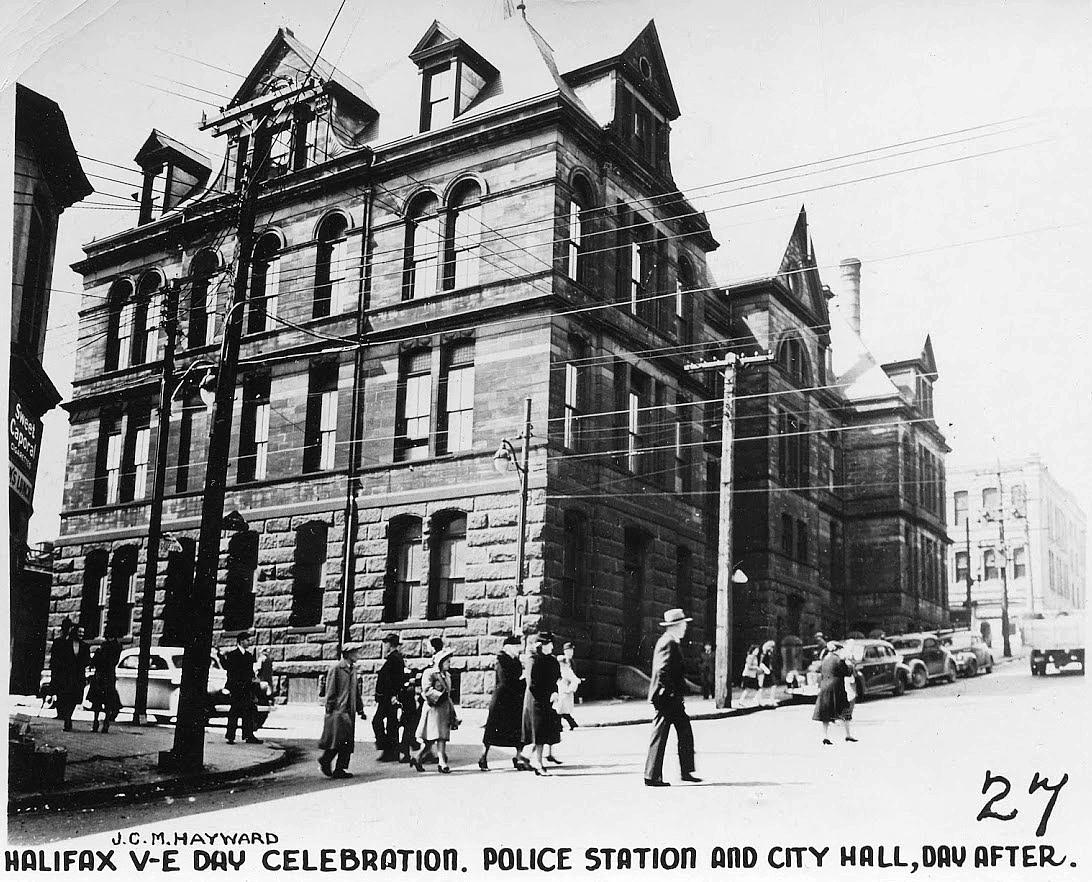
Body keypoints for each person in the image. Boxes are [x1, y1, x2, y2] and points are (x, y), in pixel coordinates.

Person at [644, 608, 700, 787]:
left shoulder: (670, 641)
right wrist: (670, 692)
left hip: (672, 698)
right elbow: (662, 671)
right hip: (667, 698)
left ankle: (686, 771)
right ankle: (652, 776)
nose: (685, 628)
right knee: (660, 735)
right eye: (683, 624)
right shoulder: (668, 642)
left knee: (684, 731)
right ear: (675, 625)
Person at [480, 635, 530, 771]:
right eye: (517, 646)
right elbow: (505, 680)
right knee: (492, 730)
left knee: (518, 731)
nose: (520, 649)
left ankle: (518, 757)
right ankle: (483, 757)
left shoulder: (515, 660)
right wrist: (522, 681)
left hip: (514, 700)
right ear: (510, 647)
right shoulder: (502, 660)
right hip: (502, 700)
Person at [319, 642, 365, 778]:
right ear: (348, 654)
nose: (358, 655)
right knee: (338, 740)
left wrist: (360, 709)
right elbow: (331, 690)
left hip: (349, 711)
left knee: (347, 741)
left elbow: (355, 691)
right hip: (338, 710)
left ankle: (340, 768)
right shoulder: (337, 668)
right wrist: (330, 710)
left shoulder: (353, 669)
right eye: (355, 652)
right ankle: (326, 761)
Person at [411, 648, 458, 773]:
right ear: (440, 662)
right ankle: (419, 757)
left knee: (441, 737)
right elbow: (426, 690)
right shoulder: (429, 673)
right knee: (431, 739)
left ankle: (441, 762)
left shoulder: (447, 676)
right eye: (447, 661)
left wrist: (454, 714)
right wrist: (437, 696)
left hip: (444, 710)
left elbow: (448, 696)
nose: (449, 664)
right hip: (433, 709)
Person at [521, 632, 562, 775]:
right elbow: (532, 684)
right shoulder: (533, 660)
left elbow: (554, 679)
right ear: (542, 646)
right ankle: (538, 763)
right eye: (549, 643)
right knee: (538, 732)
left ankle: (527, 757)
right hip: (536, 700)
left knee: (543, 732)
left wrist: (555, 692)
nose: (552, 646)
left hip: (546, 700)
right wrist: (548, 695)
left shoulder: (551, 660)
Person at [812, 641, 857, 744]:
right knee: (845, 711)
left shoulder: (825, 659)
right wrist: (849, 664)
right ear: (837, 650)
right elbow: (848, 673)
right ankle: (848, 735)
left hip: (825, 688)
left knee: (825, 713)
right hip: (837, 688)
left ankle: (825, 736)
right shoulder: (839, 660)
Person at [222, 631, 262, 744]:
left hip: (247, 689)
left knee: (248, 712)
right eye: (247, 640)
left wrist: (254, 682)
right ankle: (230, 736)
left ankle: (248, 736)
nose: (249, 642)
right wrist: (230, 687)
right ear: (241, 641)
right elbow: (230, 673)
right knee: (234, 711)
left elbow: (250, 673)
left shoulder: (249, 656)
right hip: (236, 689)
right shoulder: (232, 655)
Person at [50, 620, 90, 731]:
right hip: (67, 677)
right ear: (75, 632)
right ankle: (67, 719)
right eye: (79, 632)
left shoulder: (85, 646)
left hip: (78, 677)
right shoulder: (66, 644)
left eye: (83, 632)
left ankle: (69, 716)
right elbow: (62, 659)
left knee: (74, 698)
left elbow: (87, 661)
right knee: (66, 697)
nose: (81, 634)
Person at [374, 634, 405, 762]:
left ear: (390, 644)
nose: (384, 646)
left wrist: (394, 695)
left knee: (378, 722)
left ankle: (388, 749)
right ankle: (391, 751)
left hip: (389, 698)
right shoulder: (393, 658)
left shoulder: (394, 659)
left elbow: (395, 680)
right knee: (391, 724)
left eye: (385, 643)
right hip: (388, 697)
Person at [88, 634, 122, 733]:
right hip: (102, 676)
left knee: (105, 701)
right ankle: (99, 722)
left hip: (106, 676)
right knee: (100, 701)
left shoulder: (114, 646)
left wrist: (100, 655)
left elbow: (111, 661)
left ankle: (103, 723)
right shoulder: (106, 646)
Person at [554, 641, 583, 731]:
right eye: (568, 650)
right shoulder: (561, 661)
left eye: (572, 650)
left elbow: (573, 676)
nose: (571, 652)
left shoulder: (572, 662)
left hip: (567, 689)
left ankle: (563, 725)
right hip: (561, 687)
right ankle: (569, 723)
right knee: (560, 708)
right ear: (564, 651)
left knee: (561, 708)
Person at [398, 670, 422, 763]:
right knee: (408, 733)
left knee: (408, 733)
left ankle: (407, 753)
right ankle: (408, 753)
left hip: (411, 713)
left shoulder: (409, 688)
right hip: (410, 713)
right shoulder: (408, 689)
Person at [757, 639, 778, 706]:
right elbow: (761, 663)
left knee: (773, 685)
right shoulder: (764, 654)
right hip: (764, 671)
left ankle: (771, 700)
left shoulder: (769, 654)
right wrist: (766, 670)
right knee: (761, 686)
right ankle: (759, 700)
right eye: (772, 647)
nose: (773, 649)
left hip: (769, 671)